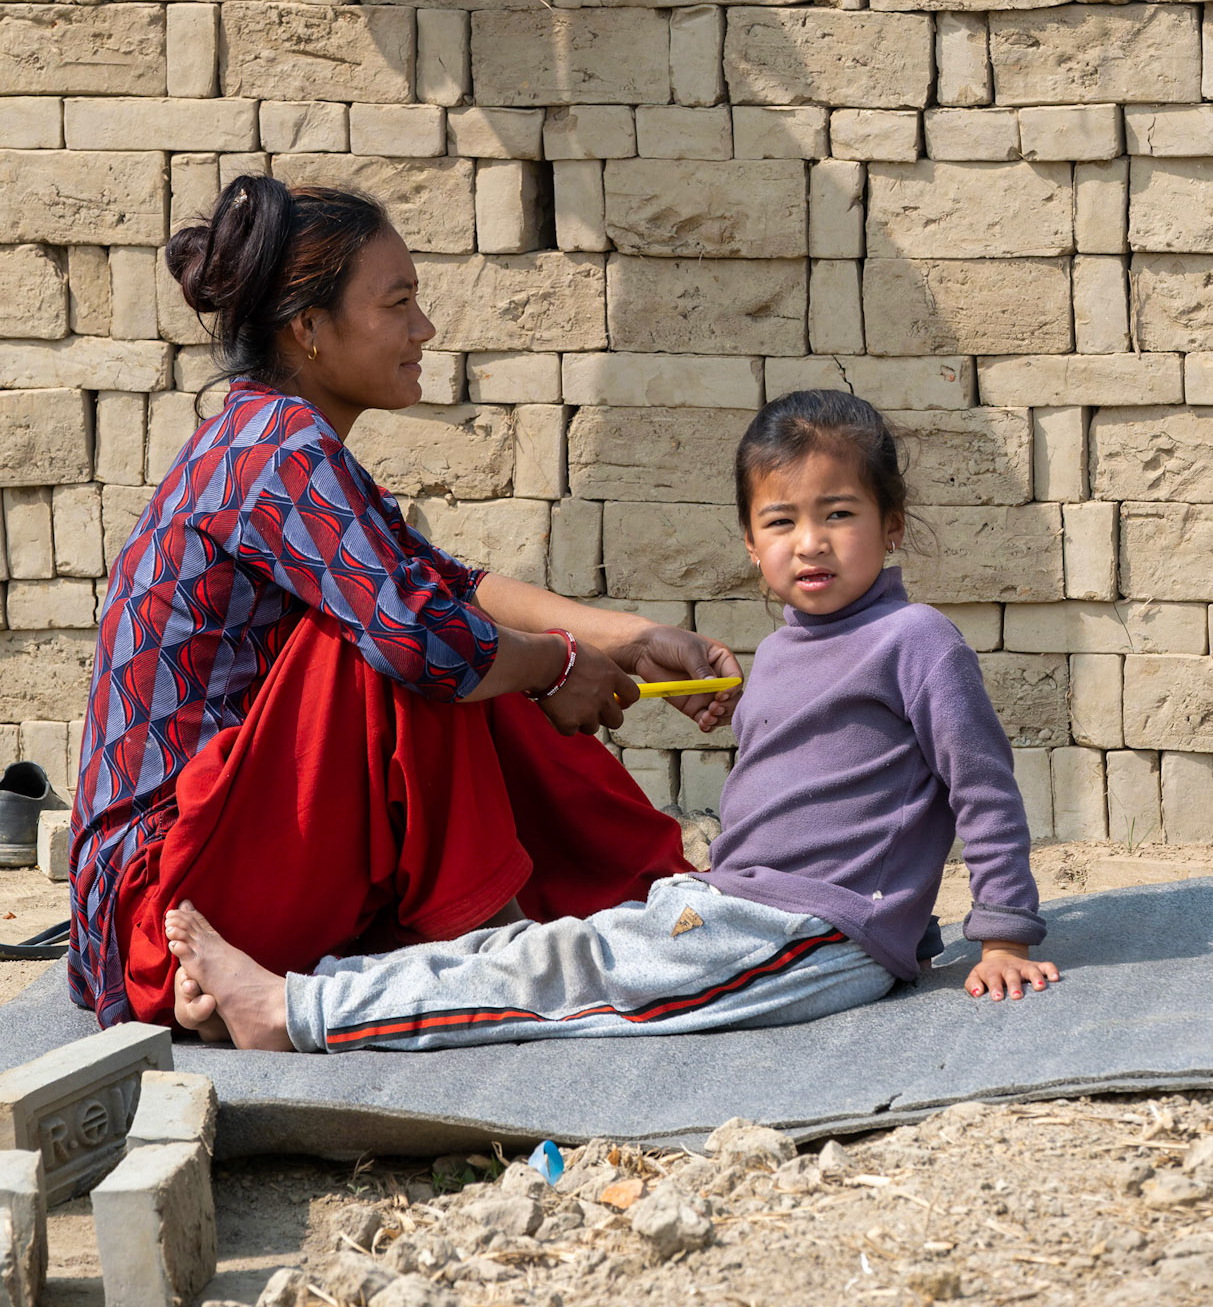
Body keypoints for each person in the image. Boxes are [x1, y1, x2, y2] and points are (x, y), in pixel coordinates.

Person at [163, 388, 1060, 1051]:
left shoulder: (915, 640)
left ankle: (296, 1013)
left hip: (809, 938)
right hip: (736, 910)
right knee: (544, 954)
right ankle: (298, 990)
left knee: (557, 986)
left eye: (839, 514)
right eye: (781, 522)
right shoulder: (787, 649)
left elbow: (980, 788)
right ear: (751, 546)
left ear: (891, 525)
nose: (810, 542)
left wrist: (1002, 935)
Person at [68, 176, 741, 1027]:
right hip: (164, 908)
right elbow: (424, 634)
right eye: (397, 303)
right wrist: (554, 665)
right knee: (421, 648)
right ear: (308, 328)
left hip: (204, 878)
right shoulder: (277, 447)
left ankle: (531, 917)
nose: (423, 328)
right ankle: (497, 954)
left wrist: (629, 639)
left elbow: (443, 581)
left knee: (438, 629)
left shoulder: (265, 437)